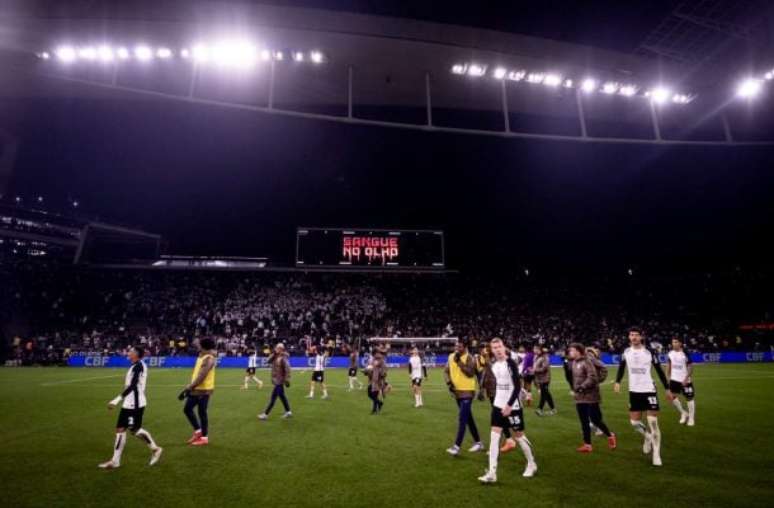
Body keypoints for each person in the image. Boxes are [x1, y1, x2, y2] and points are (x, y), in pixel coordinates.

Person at [478, 338, 537, 483]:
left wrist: (509, 405)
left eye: (499, 346)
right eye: (494, 347)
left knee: (519, 436)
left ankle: (531, 464)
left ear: (504, 347)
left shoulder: (510, 363)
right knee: (494, 437)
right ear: (492, 350)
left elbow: (517, 386)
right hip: (498, 405)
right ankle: (492, 473)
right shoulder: (494, 365)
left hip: (513, 406)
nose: (498, 349)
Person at [614, 328, 671, 466]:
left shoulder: (650, 352)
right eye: (631, 335)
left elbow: (659, 370)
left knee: (653, 422)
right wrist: (617, 381)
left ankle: (656, 454)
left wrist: (667, 388)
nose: (634, 337)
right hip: (634, 391)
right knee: (634, 422)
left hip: (649, 390)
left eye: (636, 335)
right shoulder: (626, 352)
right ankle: (647, 436)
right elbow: (621, 367)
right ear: (629, 337)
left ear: (641, 337)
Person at [99, 346, 163, 469]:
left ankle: (155, 449)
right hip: (129, 403)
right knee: (120, 429)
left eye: (131, 351)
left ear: (136, 354)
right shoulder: (136, 365)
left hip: (135, 404)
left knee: (135, 429)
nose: (128, 352)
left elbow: (133, 386)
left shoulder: (139, 366)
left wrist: (116, 400)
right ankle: (115, 461)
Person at [567, 343, 616, 453]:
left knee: (595, 420)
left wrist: (582, 387)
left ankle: (610, 435)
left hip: (591, 396)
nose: (570, 352)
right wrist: (576, 390)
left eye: (572, 350)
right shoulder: (574, 362)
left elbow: (592, 377)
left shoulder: (587, 361)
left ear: (578, 351)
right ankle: (587, 445)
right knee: (584, 421)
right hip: (579, 396)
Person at [444, 338, 484, 456]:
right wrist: (449, 383)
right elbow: (446, 371)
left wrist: (459, 362)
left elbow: (470, 373)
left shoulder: (470, 358)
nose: (457, 348)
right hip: (457, 392)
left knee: (462, 419)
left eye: (460, 347)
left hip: (467, 392)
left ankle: (456, 447)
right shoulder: (451, 356)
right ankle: (478, 442)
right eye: (456, 346)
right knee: (468, 418)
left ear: (465, 347)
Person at [182, 337, 217, 446]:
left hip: (203, 390)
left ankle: (204, 438)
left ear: (203, 346)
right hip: (196, 389)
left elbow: (202, 376)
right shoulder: (203, 356)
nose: (198, 346)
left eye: (200, 344)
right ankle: (198, 432)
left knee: (202, 413)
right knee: (187, 409)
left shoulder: (209, 359)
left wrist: (190, 386)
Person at [258, 343, 292, 420]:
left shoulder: (283, 357)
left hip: (280, 380)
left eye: (277, 348)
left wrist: (287, 379)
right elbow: (268, 361)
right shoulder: (275, 356)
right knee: (282, 396)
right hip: (276, 380)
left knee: (273, 398)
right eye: (276, 348)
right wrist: (274, 354)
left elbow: (287, 369)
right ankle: (288, 412)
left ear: (281, 349)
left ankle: (265, 414)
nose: (275, 349)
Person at [667, 338, 696, 426]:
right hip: (674, 379)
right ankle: (683, 413)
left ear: (680, 343)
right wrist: (668, 376)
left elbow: (690, 367)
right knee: (672, 397)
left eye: (676, 342)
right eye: (673, 342)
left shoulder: (685, 353)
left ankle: (691, 418)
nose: (673, 344)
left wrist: (686, 378)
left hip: (685, 380)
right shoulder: (670, 353)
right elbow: (669, 365)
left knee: (689, 398)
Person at [533, 345, 555, 416]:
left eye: (536, 349)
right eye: (534, 349)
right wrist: (533, 369)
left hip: (545, 378)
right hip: (539, 378)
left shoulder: (545, 357)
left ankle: (540, 409)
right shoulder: (536, 357)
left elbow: (544, 368)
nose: (535, 350)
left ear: (540, 350)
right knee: (546, 394)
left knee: (543, 394)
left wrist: (535, 370)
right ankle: (553, 409)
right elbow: (536, 366)